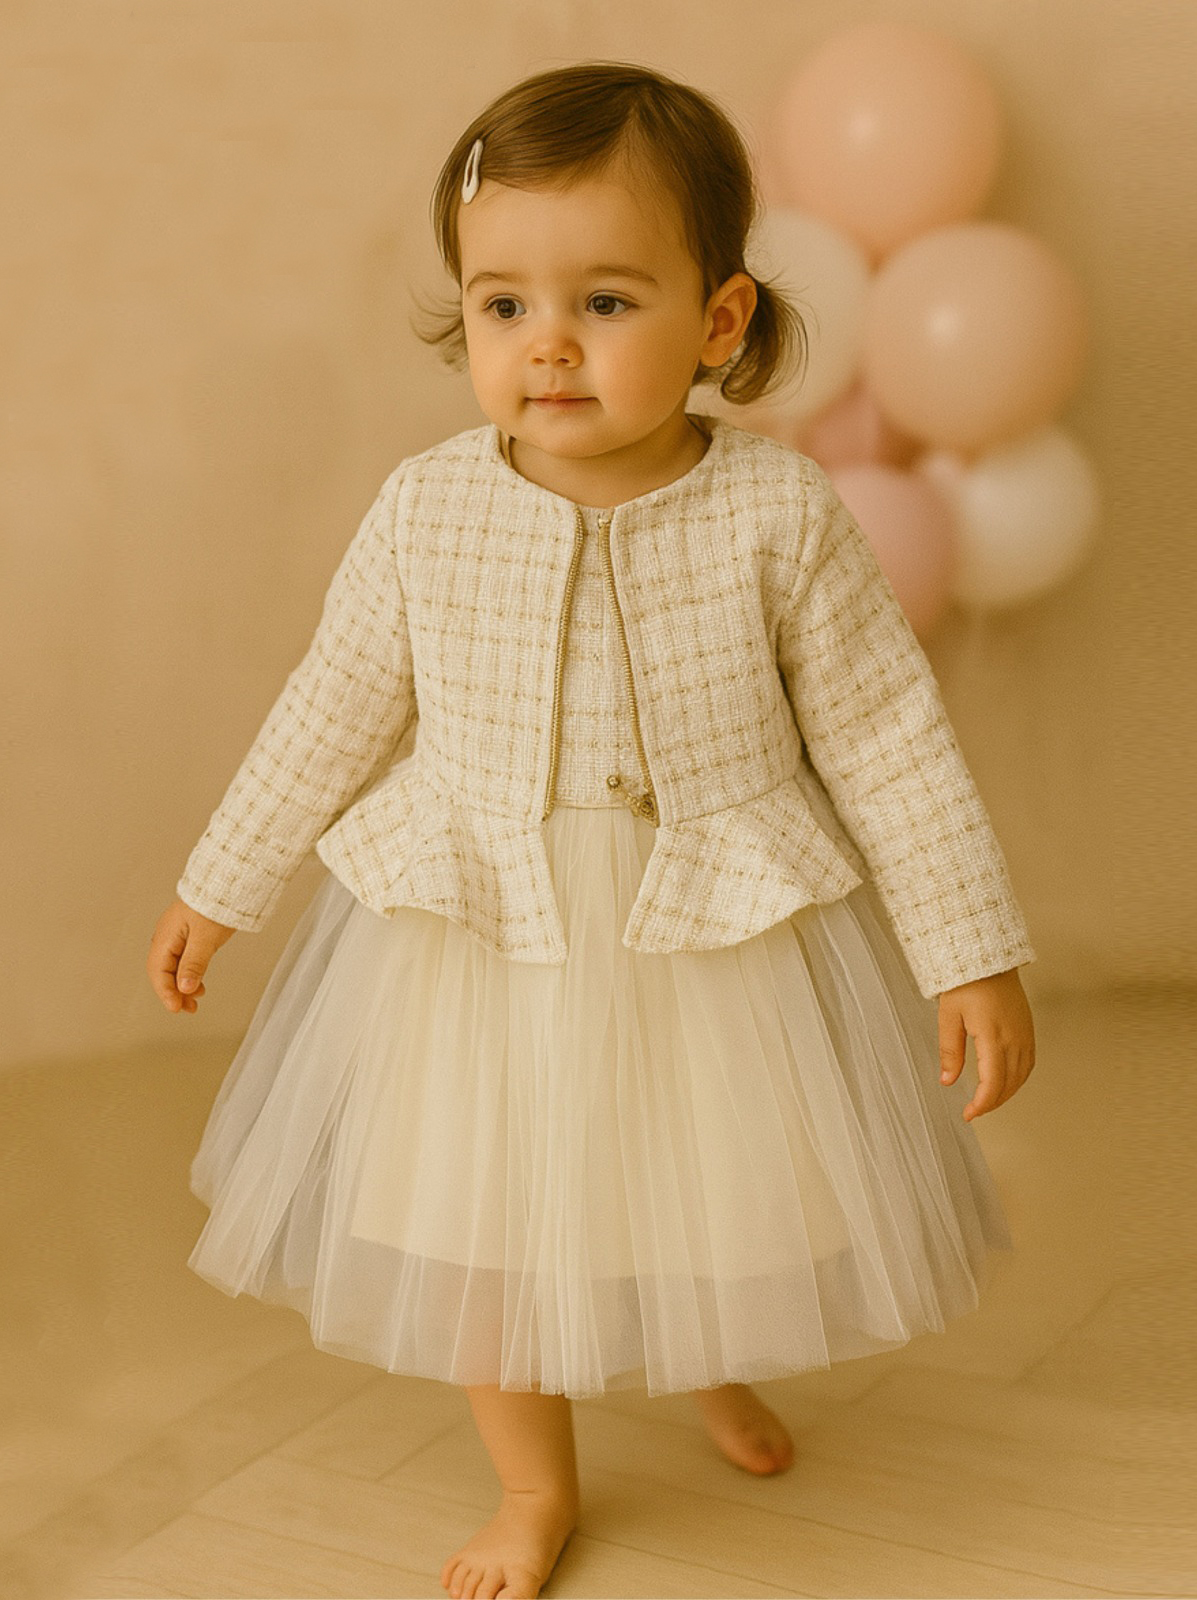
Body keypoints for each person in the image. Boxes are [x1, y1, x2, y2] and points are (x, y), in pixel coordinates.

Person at [147, 61, 1037, 1600]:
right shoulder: (427, 509)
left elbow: (887, 734)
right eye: (504, 305)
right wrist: (218, 884)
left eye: (606, 303)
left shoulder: (778, 515)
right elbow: (333, 704)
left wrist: (972, 951)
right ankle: (532, 1489)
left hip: (707, 922)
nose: (546, 343)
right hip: (479, 927)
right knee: (486, 1221)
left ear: (720, 320)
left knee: (699, 1191)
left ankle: (706, 1356)